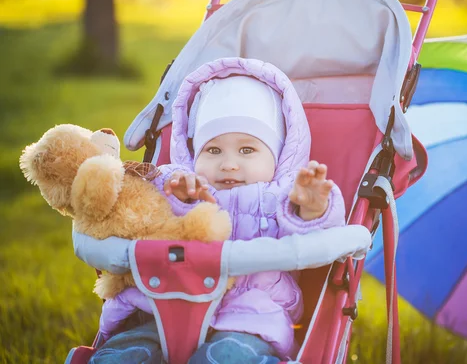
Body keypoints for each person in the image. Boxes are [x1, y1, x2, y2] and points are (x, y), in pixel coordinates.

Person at [70, 58, 346, 364]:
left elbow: (316, 239)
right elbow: (140, 220)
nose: (228, 163)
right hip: (160, 308)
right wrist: (177, 201)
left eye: (247, 150)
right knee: (126, 354)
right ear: (193, 151)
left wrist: (311, 207)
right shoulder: (174, 181)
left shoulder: (280, 197)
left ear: (277, 154)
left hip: (249, 320)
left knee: (225, 357)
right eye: (213, 150)